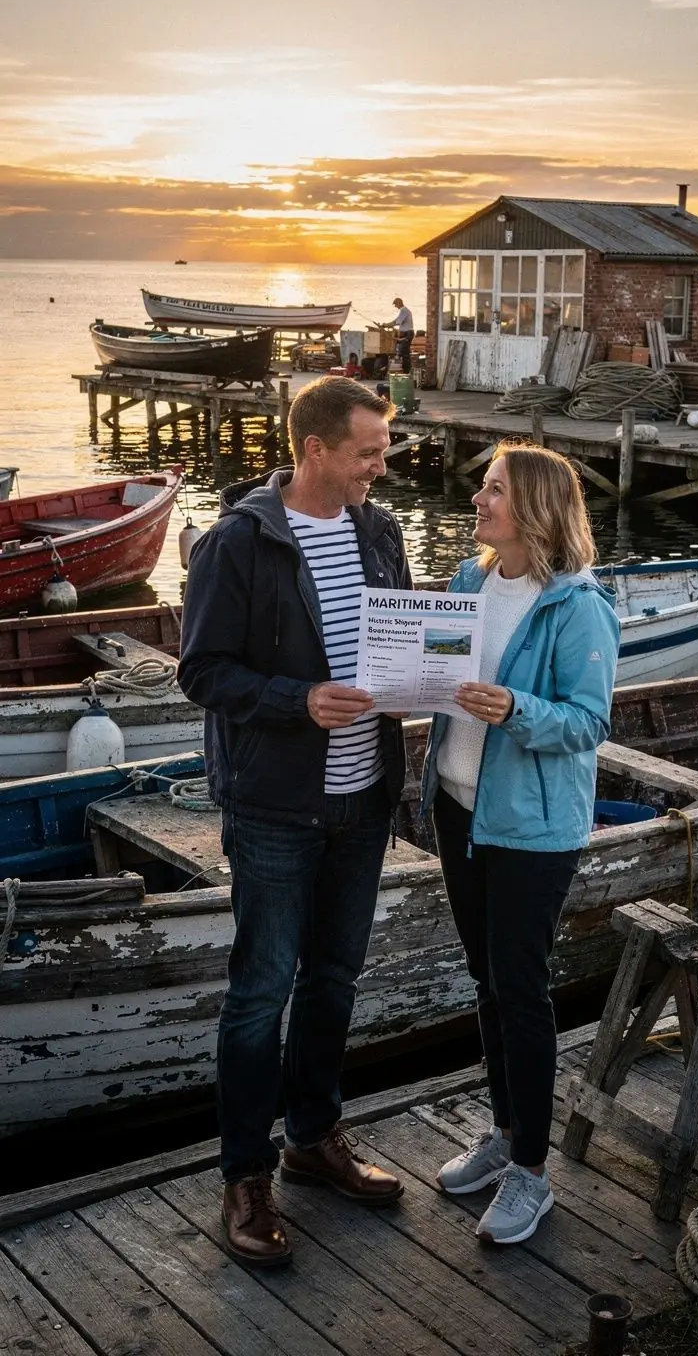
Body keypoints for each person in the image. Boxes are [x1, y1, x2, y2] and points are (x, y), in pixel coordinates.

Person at [177, 376, 411, 1269]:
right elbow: (202, 673)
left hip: (364, 800)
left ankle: (313, 1138)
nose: (380, 469)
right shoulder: (237, 544)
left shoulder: (379, 531)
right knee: (260, 990)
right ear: (315, 449)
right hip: (275, 805)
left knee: (336, 977)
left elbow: (403, 639)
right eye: (367, 454)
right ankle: (245, 1176)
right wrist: (295, 699)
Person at [422, 442, 620, 1246]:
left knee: (523, 990)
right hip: (457, 808)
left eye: (494, 489)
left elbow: (589, 721)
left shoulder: (578, 606)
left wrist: (515, 709)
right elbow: (434, 676)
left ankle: (532, 1174)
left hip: (534, 830)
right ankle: (503, 1134)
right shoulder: (469, 583)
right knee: (486, 980)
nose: (479, 498)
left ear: (533, 505)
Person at [387, 296, 415, 374]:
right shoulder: (403, 310)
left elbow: (397, 322)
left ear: (399, 303)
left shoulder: (404, 310)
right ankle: (405, 371)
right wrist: (387, 324)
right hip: (405, 334)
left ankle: (407, 372)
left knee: (405, 354)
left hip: (407, 334)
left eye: (396, 304)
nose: (395, 306)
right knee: (402, 353)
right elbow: (396, 321)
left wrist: (386, 325)